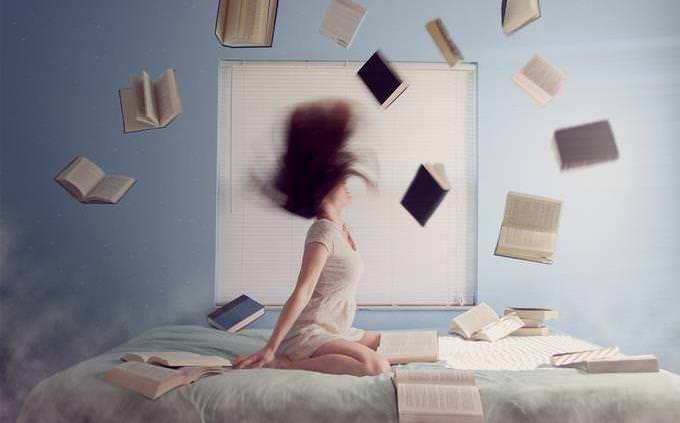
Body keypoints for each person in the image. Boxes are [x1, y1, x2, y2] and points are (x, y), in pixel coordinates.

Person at [232, 101, 390, 376]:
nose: (347, 184)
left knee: (392, 344)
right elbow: (303, 291)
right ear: (327, 189)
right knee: (376, 366)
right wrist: (271, 347)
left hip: (337, 330)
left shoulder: (339, 228)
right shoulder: (323, 232)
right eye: (342, 181)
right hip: (312, 331)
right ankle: (283, 363)